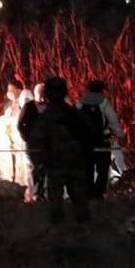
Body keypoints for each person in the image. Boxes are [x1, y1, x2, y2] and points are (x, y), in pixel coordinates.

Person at [26, 78, 91, 226]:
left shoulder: (46, 117)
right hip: (73, 162)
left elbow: (34, 141)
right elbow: (88, 135)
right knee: (78, 197)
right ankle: (83, 227)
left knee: (56, 199)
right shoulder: (74, 113)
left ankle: (59, 229)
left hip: (55, 164)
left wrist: (39, 163)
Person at [76, 80, 125, 199]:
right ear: (101, 90)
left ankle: (88, 193)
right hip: (101, 140)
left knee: (88, 168)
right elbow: (113, 120)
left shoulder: (80, 102)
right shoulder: (103, 102)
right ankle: (98, 193)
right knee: (103, 169)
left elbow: (73, 120)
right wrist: (120, 136)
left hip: (85, 142)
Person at [17, 83, 48, 202]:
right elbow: (20, 124)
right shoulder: (29, 106)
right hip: (33, 143)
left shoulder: (49, 107)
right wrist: (26, 137)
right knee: (37, 166)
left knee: (45, 167)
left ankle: (41, 191)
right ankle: (36, 191)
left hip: (46, 143)